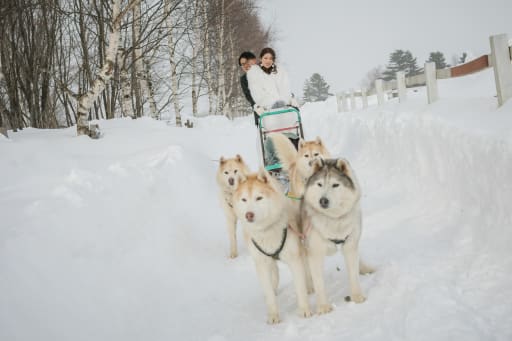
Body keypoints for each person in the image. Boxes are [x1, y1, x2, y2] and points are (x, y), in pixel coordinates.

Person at [247, 47, 300, 169]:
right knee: (271, 137)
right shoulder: (254, 74)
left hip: (284, 110)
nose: (268, 60)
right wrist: (260, 105)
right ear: (261, 59)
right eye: (265, 58)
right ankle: (273, 164)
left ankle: (295, 157)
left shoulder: (280, 73)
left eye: (270, 58)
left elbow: (286, 89)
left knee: (291, 132)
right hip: (268, 111)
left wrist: (290, 99)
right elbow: (257, 93)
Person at [238, 51, 259, 125]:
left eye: (247, 62)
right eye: (243, 64)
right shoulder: (244, 79)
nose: (245, 65)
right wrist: (257, 105)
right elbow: (248, 95)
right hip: (259, 110)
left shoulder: (264, 71)